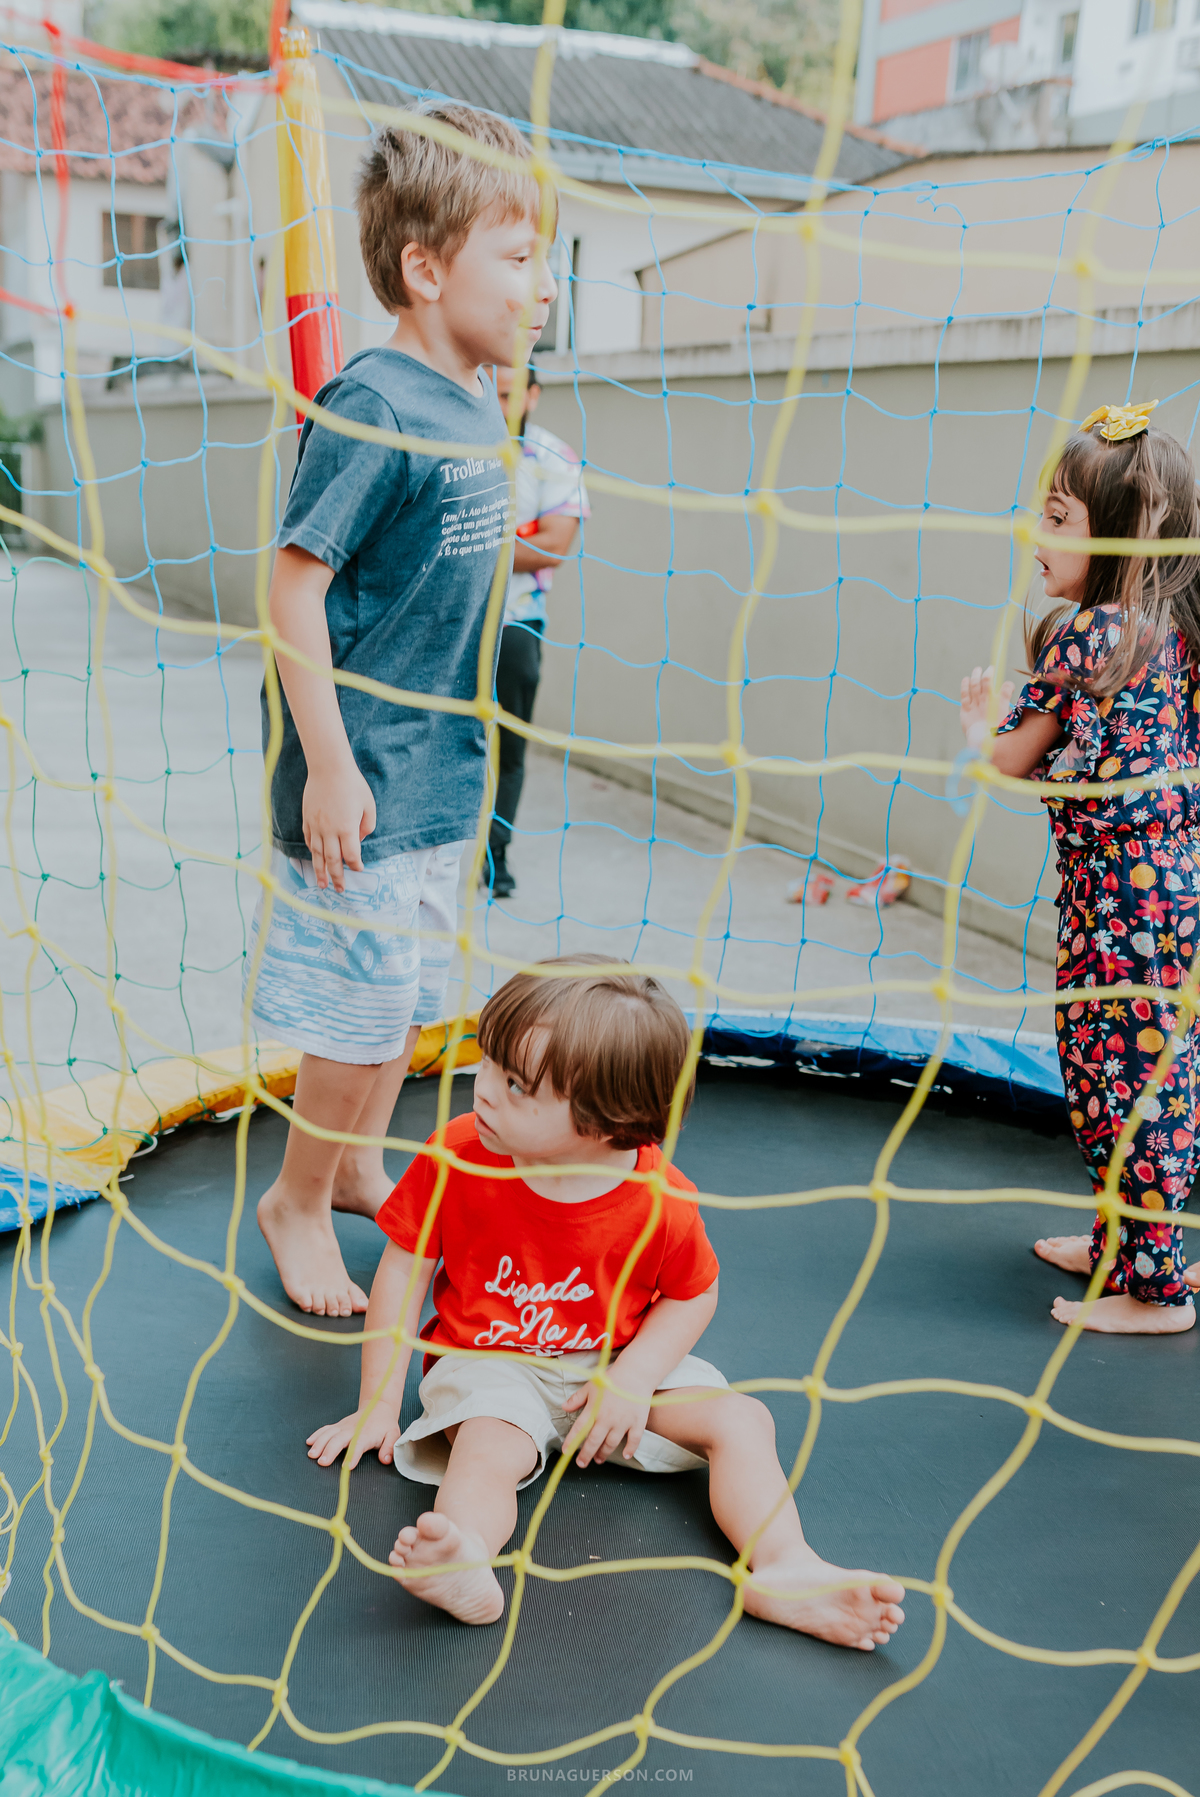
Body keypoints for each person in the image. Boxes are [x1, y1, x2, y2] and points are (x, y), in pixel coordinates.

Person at [306, 955, 907, 1650]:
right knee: (487, 1447)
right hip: (492, 1362)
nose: (484, 1090)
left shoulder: (661, 1198)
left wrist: (634, 1375)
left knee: (744, 1418)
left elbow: (695, 1292)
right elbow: (405, 1272)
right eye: (490, 1063)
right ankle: (464, 1555)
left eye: (517, 1085)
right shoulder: (459, 1155)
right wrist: (380, 1400)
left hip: (615, 1366)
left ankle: (785, 1567)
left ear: (606, 1123)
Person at [245, 104, 556, 1318]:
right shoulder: (375, 401)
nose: (542, 291)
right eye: (518, 260)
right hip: (359, 775)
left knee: (407, 1006)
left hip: (437, 767)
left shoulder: (479, 398)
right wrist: (326, 762)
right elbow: (292, 581)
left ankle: (360, 1166)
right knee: (360, 1012)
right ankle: (295, 1197)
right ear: (426, 270)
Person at [960, 401, 1200, 1335]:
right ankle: (1120, 1241)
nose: (1039, 533)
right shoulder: (1169, 632)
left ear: (1128, 531)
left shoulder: (1089, 634)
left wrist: (983, 723)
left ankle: (1158, 1290)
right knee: (1123, 1071)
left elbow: (1012, 761)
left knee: (1124, 1081)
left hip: (1120, 915)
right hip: (1155, 902)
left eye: (1057, 517)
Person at [483, 364, 589, 899]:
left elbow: (553, 547)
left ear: (533, 395)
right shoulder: (454, 448)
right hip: (451, 619)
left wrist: (473, 543)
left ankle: (495, 854)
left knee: (510, 745)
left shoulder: (554, 459)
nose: (500, 406)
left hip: (517, 622)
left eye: (508, 395)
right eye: (492, 393)